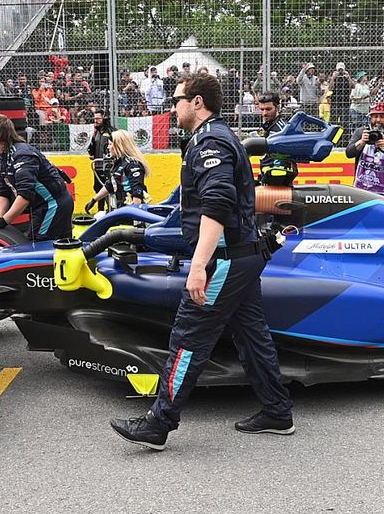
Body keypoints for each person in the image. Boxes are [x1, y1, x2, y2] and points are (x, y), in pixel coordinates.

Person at [110, 73, 295, 451]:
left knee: (188, 337)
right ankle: (277, 411)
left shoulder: (210, 141)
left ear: (197, 102)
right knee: (251, 336)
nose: (172, 108)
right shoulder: (215, 137)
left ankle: (159, 423)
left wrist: (198, 265)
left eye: (176, 100)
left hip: (224, 260)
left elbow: (218, 203)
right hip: (242, 256)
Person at [0, 114, 73, 240]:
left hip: (53, 204)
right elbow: (2, 191)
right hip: (39, 205)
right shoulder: (0, 156)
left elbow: (25, 194)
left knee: (40, 244)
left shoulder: (22, 155)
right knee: (40, 242)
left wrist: (5, 220)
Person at [84, 129, 149, 211]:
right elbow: (110, 185)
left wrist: (136, 215)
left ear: (119, 145)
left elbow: (137, 192)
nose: (108, 147)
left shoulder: (133, 164)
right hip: (121, 208)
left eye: (110, 144)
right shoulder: (120, 163)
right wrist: (94, 200)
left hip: (130, 210)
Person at [255, 91, 294, 186]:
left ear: (277, 108)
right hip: (269, 179)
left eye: (268, 109)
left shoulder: (281, 130)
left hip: (277, 183)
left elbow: (281, 164)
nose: (264, 113)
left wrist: (271, 179)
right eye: (262, 109)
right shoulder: (270, 126)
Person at [86, 109, 114, 212]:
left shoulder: (112, 131)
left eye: (98, 118)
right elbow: (91, 148)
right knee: (98, 188)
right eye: (95, 118)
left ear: (104, 118)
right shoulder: (96, 133)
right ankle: (100, 210)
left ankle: (111, 209)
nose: (96, 121)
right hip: (97, 165)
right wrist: (92, 153)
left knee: (109, 188)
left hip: (108, 166)